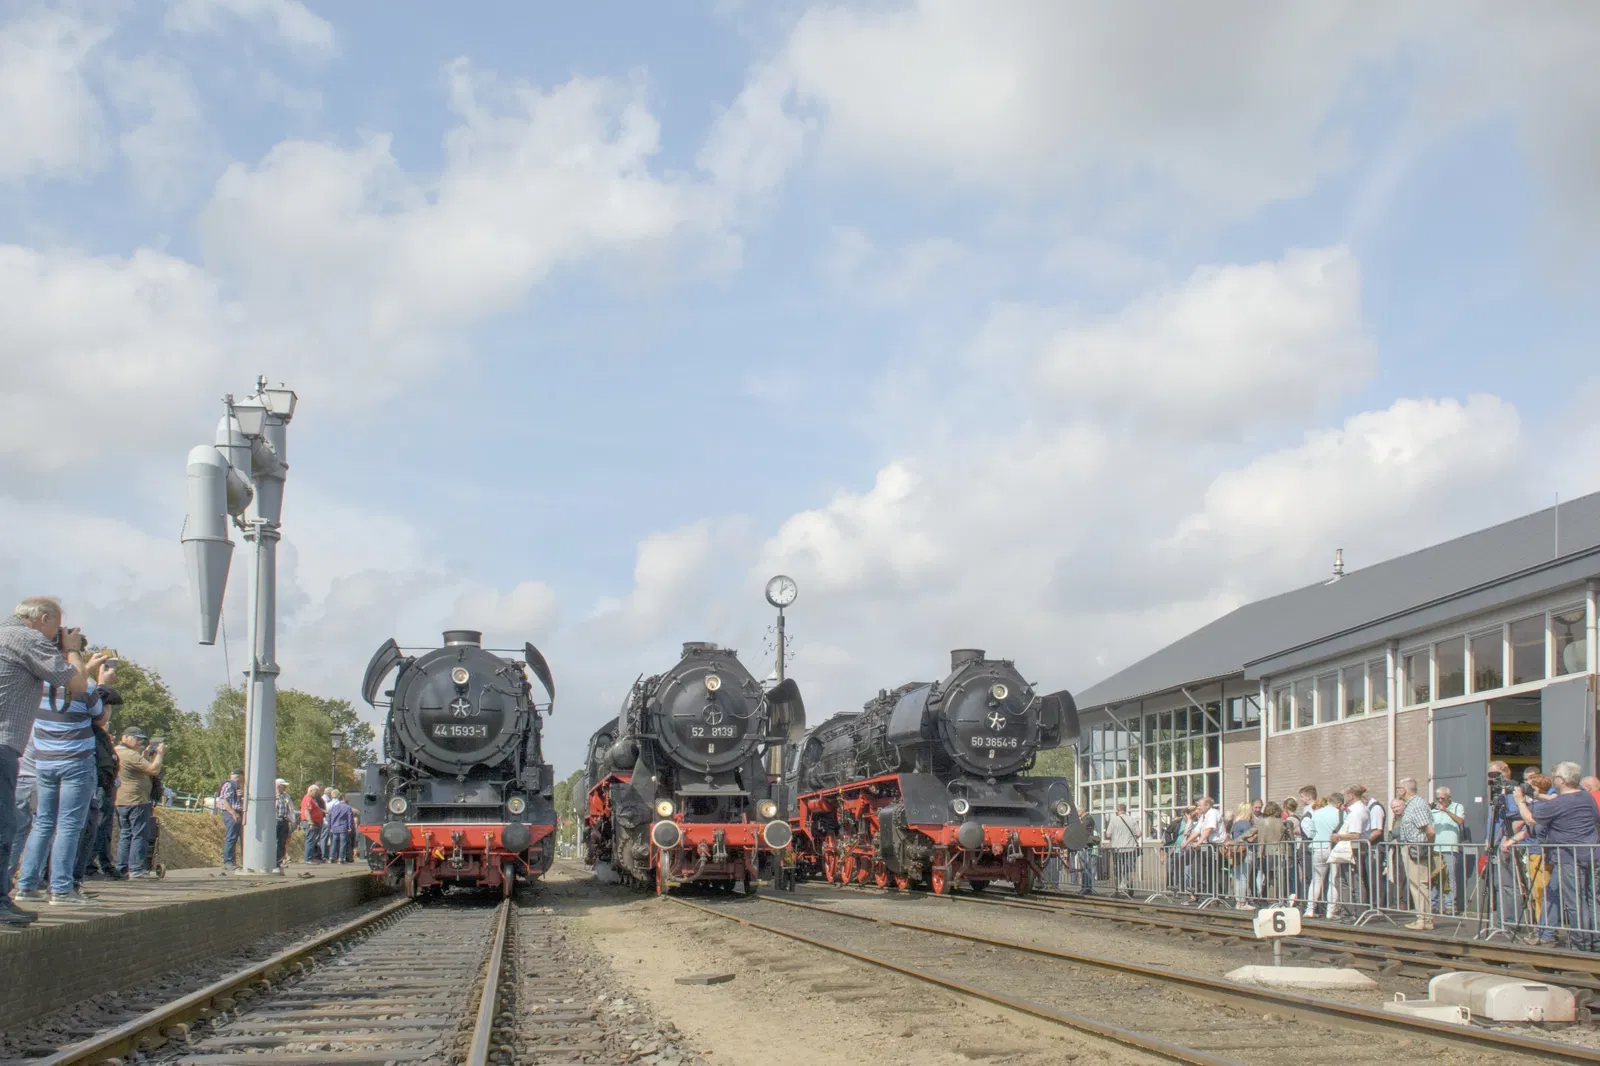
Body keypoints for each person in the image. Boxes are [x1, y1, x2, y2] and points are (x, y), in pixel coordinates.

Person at [0, 597, 102, 924]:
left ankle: (22, 887)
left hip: (41, 760)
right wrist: (73, 650)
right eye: (55, 628)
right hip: (31, 750)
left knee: (37, 823)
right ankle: (54, 890)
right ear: (44, 618)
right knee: (24, 826)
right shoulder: (28, 639)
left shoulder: (4, 635)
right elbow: (78, 685)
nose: (54, 636)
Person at [1513, 761, 1599, 951]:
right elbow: (1590, 816)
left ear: (1561, 780)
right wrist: (1539, 796)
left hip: (1568, 857)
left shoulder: (1560, 802)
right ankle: (1596, 941)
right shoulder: (1586, 797)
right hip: (1592, 853)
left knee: (1576, 901)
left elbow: (1530, 819)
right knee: (1593, 900)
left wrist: (1520, 801)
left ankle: (1581, 944)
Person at [114, 728, 165, 878]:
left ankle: (122, 867)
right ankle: (136, 869)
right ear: (126, 737)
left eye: (141, 740)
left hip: (120, 799)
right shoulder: (130, 754)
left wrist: (143, 755)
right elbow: (153, 769)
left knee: (126, 834)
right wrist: (160, 754)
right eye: (137, 739)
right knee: (139, 834)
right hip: (136, 800)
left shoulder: (117, 751)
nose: (140, 742)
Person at [1394, 778, 1435, 930]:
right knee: (1418, 884)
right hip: (1414, 847)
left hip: (1415, 848)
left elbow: (1430, 830)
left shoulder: (1416, 805)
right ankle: (1426, 918)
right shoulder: (1412, 804)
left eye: (1398, 787)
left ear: (1404, 789)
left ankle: (1422, 919)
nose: (1397, 790)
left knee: (1418, 884)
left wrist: (1425, 848)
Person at [1431, 786, 1466, 915]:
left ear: (1449, 798)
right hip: (1435, 847)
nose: (1440, 801)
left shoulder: (1457, 807)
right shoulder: (1433, 810)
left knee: (1450, 877)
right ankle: (1434, 904)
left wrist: (1445, 811)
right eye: (1438, 798)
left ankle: (1450, 905)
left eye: (1443, 798)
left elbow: (1460, 821)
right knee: (1434, 876)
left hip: (1450, 847)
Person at [1103, 802, 1140, 896]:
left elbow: (1108, 835)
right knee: (1129, 868)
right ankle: (1129, 886)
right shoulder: (1132, 819)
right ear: (1125, 810)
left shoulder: (1113, 820)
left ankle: (1117, 889)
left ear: (1117, 810)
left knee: (1118, 868)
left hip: (1117, 849)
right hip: (1130, 849)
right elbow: (1139, 834)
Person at [217, 769, 243, 871]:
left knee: (234, 837)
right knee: (231, 836)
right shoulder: (228, 785)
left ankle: (232, 861)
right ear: (240, 776)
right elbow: (223, 800)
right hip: (231, 813)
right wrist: (233, 813)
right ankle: (228, 861)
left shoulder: (236, 786)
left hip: (235, 812)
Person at [324, 789, 355, 865]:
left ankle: (331, 858)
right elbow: (350, 818)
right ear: (343, 798)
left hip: (334, 827)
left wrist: (330, 826)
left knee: (334, 843)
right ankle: (341, 859)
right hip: (343, 827)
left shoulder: (334, 807)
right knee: (343, 843)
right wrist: (350, 827)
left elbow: (329, 817)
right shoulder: (347, 807)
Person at [301, 783, 326, 862]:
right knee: (310, 840)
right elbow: (307, 812)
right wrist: (310, 822)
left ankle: (311, 857)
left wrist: (324, 811)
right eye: (315, 792)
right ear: (310, 791)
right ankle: (308, 859)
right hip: (311, 823)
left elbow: (316, 809)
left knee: (313, 841)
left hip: (316, 822)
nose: (316, 794)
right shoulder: (308, 799)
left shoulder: (312, 799)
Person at [274, 779, 295, 870]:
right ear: (278, 786)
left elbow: (291, 808)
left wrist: (291, 818)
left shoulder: (286, 796)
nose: (285, 787)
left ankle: (280, 861)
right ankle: (273, 861)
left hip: (284, 821)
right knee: (274, 841)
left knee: (282, 842)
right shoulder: (273, 796)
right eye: (283, 785)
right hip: (275, 821)